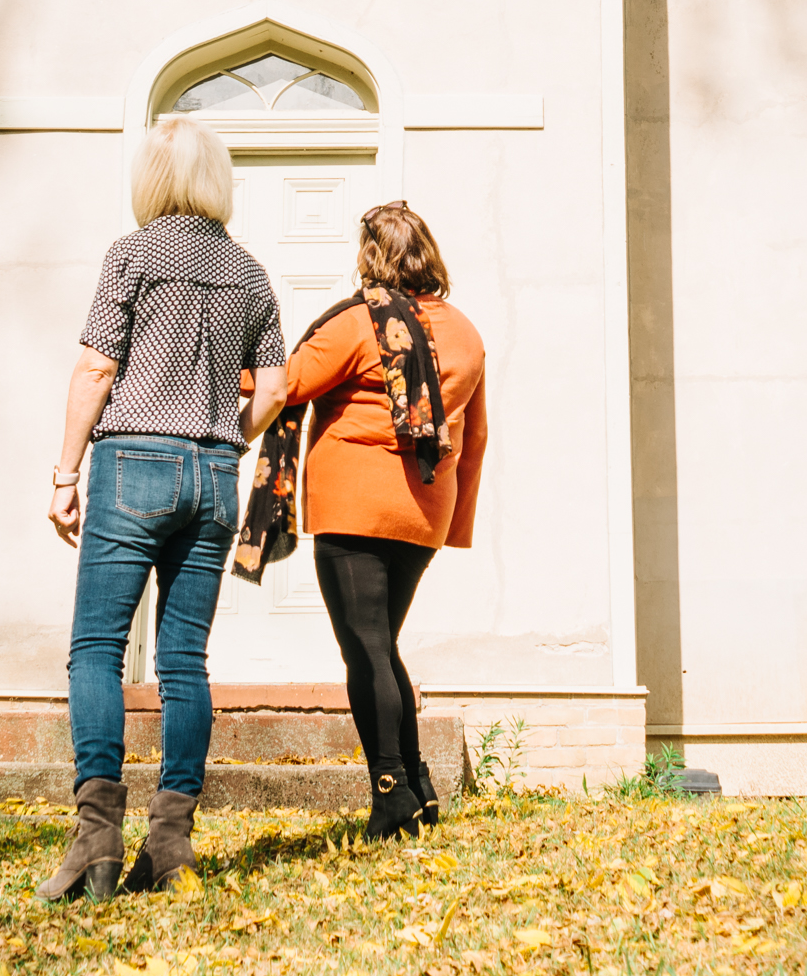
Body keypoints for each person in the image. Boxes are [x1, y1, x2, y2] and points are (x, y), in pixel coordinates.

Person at [37, 115, 289, 902]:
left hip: (132, 460)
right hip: (214, 471)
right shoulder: (250, 272)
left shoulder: (132, 255)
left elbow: (95, 366)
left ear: (152, 178)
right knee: (185, 662)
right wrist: (224, 439)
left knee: (97, 649)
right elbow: (276, 389)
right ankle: (172, 841)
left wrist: (64, 470)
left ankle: (97, 839)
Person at [266, 202, 488, 840]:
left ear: (372, 257)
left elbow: (289, 383)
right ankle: (417, 784)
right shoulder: (466, 333)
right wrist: (454, 522)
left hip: (356, 507)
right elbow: (473, 438)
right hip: (422, 511)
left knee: (365, 652)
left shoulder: (359, 325)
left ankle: (389, 792)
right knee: (382, 647)